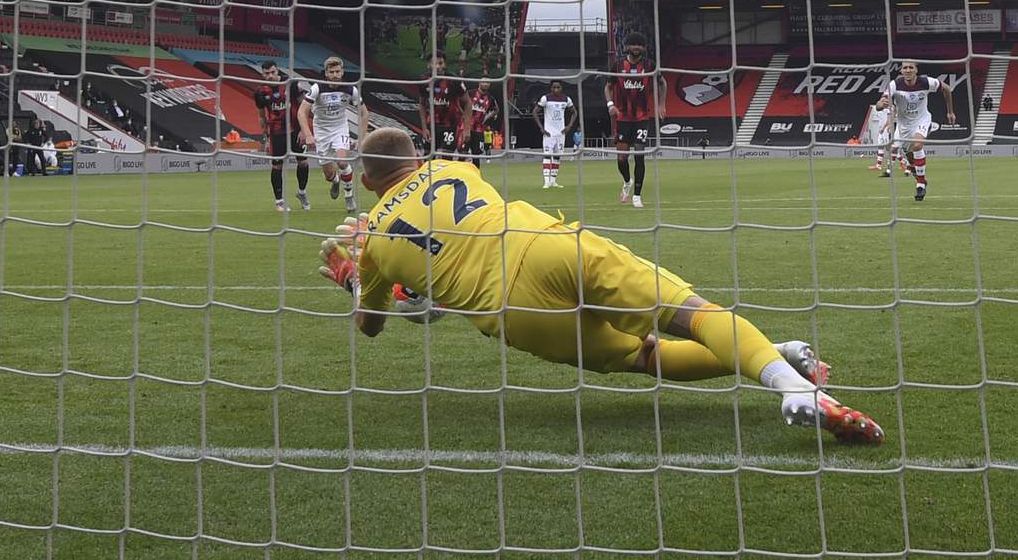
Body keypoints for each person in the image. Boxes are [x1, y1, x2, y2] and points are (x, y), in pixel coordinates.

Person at [317, 128, 884, 445]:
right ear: (417, 156)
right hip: (547, 243)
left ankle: (779, 360)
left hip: (510, 311)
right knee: (691, 314)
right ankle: (791, 383)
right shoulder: (453, 167)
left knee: (645, 356)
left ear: (364, 182)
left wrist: (355, 276)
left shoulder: (376, 248)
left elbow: (373, 326)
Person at [297, 56, 368, 212]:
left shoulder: (351, 89)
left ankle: (349, 196)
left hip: (340, 128)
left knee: (342, 162)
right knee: (329, 174)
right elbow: (302, 112)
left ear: (342, 72)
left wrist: (362, 138)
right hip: (321, 131)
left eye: (338, 71)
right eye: (332, 72)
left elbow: (364, 114)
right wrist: (308, 134)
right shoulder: (317, 88)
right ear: (326, 73)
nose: (335, 75)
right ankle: (336, 181)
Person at [881, 61, 956, 202]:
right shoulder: (894, 84)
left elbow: (947, 88)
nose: (908, 70)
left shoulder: (926, 82)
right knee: (910, 158)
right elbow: (882, 101)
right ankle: (919, 176)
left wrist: (950, 111)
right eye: (905, 68)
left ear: (916, 70)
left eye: (911, 67)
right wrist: (880, 105)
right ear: (901, 71)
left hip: (922, 119)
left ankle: (920, 185)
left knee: (917, 145)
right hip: (903, 126)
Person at [605, 32, 662, 208]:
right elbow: (608, 86)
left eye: (640, 44)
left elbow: (663, 83)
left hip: (642, 117)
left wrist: (661, 105)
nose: (636, 47)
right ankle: (627, 181)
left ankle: (637, 195)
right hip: (622, 118)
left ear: (643, 48)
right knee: (622, 158)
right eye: (633, 44)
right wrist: (610, 104)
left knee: (639, 154)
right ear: (627, 46)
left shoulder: (649, 65)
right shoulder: (618, 66)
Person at [256, 60, 310, 212]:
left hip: (295, 131)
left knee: (303, 163)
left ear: (277, 71)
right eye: (267, 73)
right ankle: (279, 202)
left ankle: (302, 193)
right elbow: (261, 117)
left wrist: (303, 130)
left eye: (273, 72)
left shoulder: (291, 84)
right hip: (276, 134)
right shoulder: (260, 92)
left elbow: (303, 107)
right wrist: (265, 138)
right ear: (262, 74)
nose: (270, 76)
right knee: (277, 166)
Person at [419, 55, 470, 160]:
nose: (437, 66)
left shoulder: (453, 80)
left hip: (450, 125)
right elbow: (422, 105)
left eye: (441, 63)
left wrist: (466, 129)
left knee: (446, 159)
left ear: (445, 65)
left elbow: (468, 103)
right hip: (431, 126)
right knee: (428, 158)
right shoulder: (424, 81)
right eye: (434, 63)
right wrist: (424, 129)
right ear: (429, 65)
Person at [533, 80, 577, 189]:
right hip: (549, 133)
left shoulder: (566, 99)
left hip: (561, 133)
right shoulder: (545, 98)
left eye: (558, 87)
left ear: (561, 88)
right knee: (547, 155)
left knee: (557, 157)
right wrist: (541, 128)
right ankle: (546, 181)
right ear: (551, 88)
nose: (556, 90)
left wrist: (569, 126)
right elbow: (535, 112)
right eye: (554, 87)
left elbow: (574, 112)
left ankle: (553, 181)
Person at [465, 80, 496, 169]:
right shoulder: (471, 93)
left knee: (476, 154)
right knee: (463, 152)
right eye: (483, 82)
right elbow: (460, 102)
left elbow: (496, 109)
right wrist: (463, 115)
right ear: (479, 83)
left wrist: (486, 118)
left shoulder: (490, 98)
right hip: (466, 126)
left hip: (478, 129)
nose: (485, 84)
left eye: (488, 82)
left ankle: (476, 175)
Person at [868, 95, 895, 174]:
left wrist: (884, 128)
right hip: (881, 130)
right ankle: (878, 165)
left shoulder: (890, 108)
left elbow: (889, 119)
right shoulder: (880, 107)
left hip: (886, 130)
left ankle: (902, 162)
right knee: (880, 146)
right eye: (882, 100)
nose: (883, 101)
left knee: (888, 148)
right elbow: (877, 105)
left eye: (885, 100)